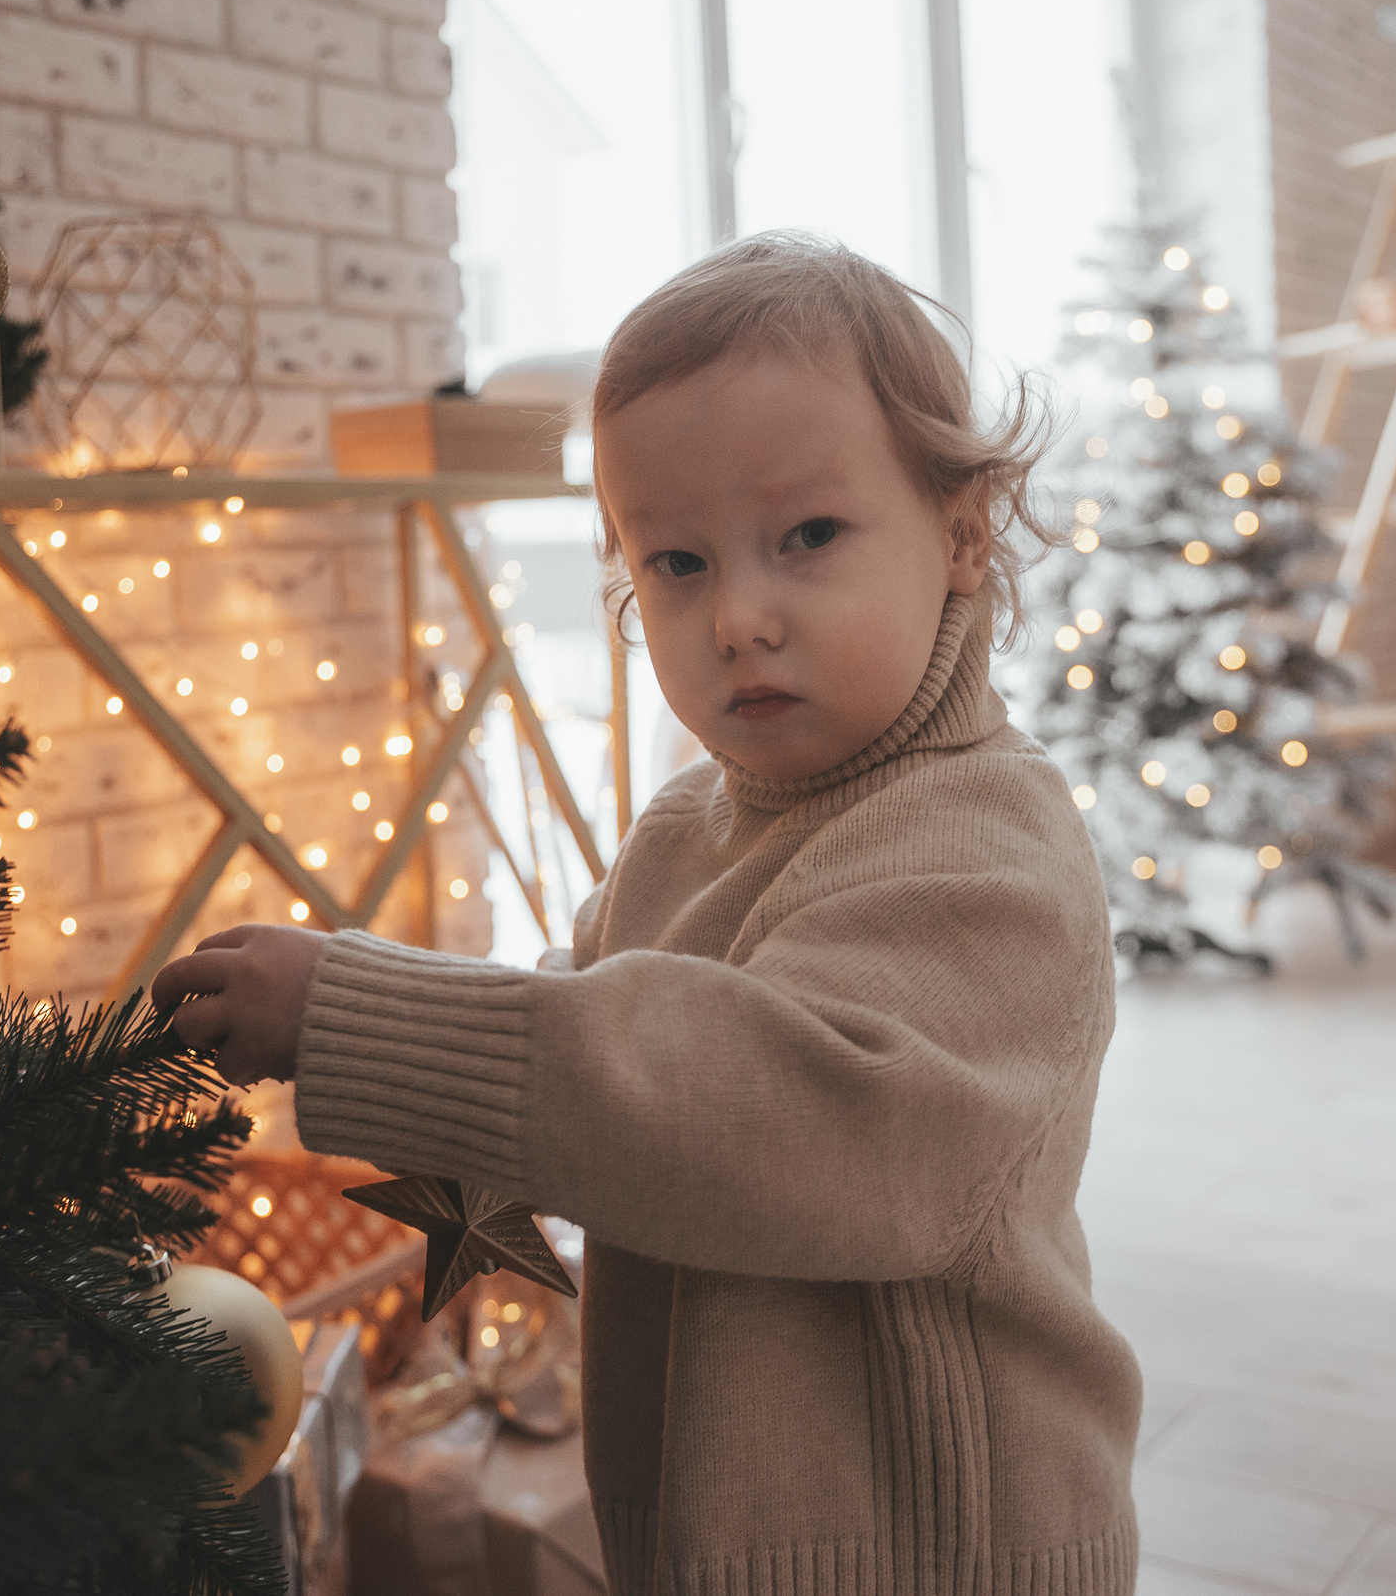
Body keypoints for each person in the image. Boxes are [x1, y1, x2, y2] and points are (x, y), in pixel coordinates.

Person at [156, 232, 1141, 1594]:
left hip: (937, 1544)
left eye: (808, 537)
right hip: (706, 1529)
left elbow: (762, 1112)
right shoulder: (690, 826)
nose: (740, 616)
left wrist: (361, 1015)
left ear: (960, 534)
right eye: (678, 563)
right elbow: (584, 1056)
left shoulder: (990, 844)